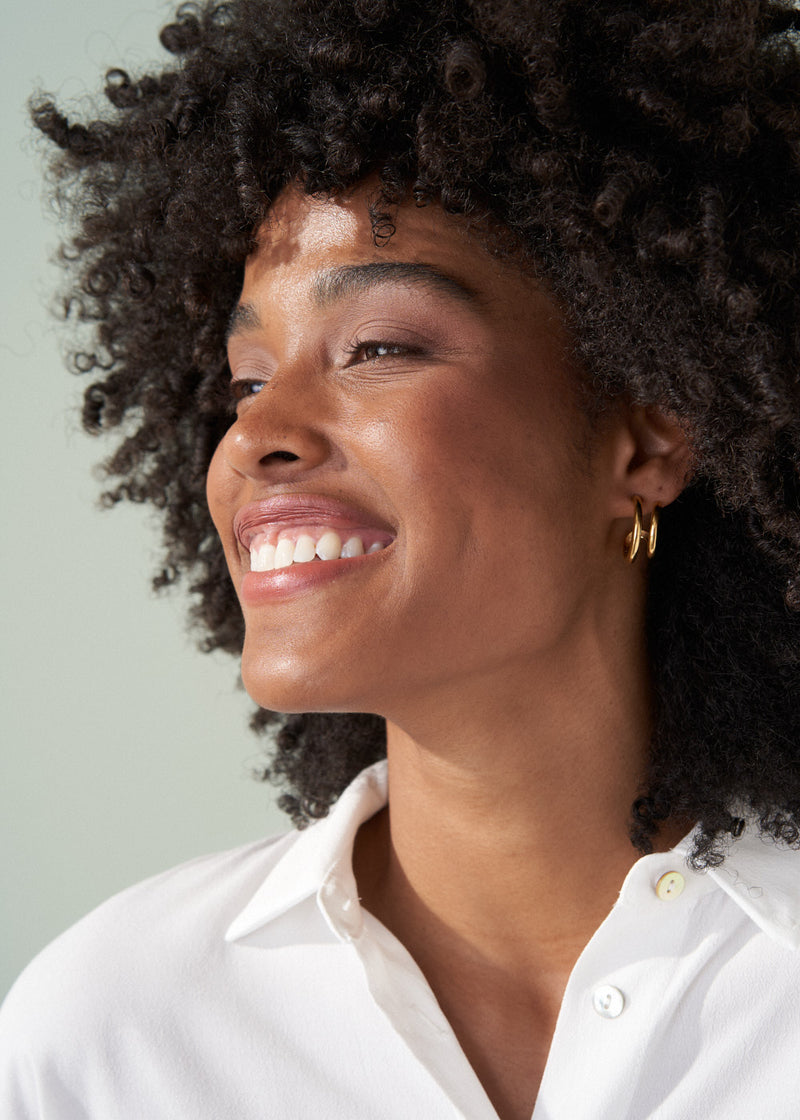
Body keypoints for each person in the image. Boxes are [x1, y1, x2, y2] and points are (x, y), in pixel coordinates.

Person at [3, 0, 800, 1116]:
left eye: (375, 345)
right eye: (245, 378)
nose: (255, 431)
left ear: (650, 432)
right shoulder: (114, 1033)